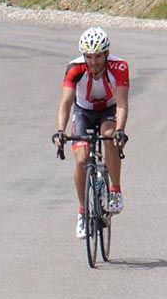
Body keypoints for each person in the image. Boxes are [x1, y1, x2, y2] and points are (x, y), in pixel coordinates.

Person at [53, 26, 130, 239]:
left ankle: (114, 189)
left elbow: (122, 103)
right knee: (81, 159)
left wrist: (120, 131)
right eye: (89, 56)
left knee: (109, 136)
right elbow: (66, 102)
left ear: (106, 53)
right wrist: (60, 131)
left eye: (97, 56)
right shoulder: (75, 68)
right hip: (83, 110)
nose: (93, 62)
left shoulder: (119, 67)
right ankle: (83, 213)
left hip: (109, 109)